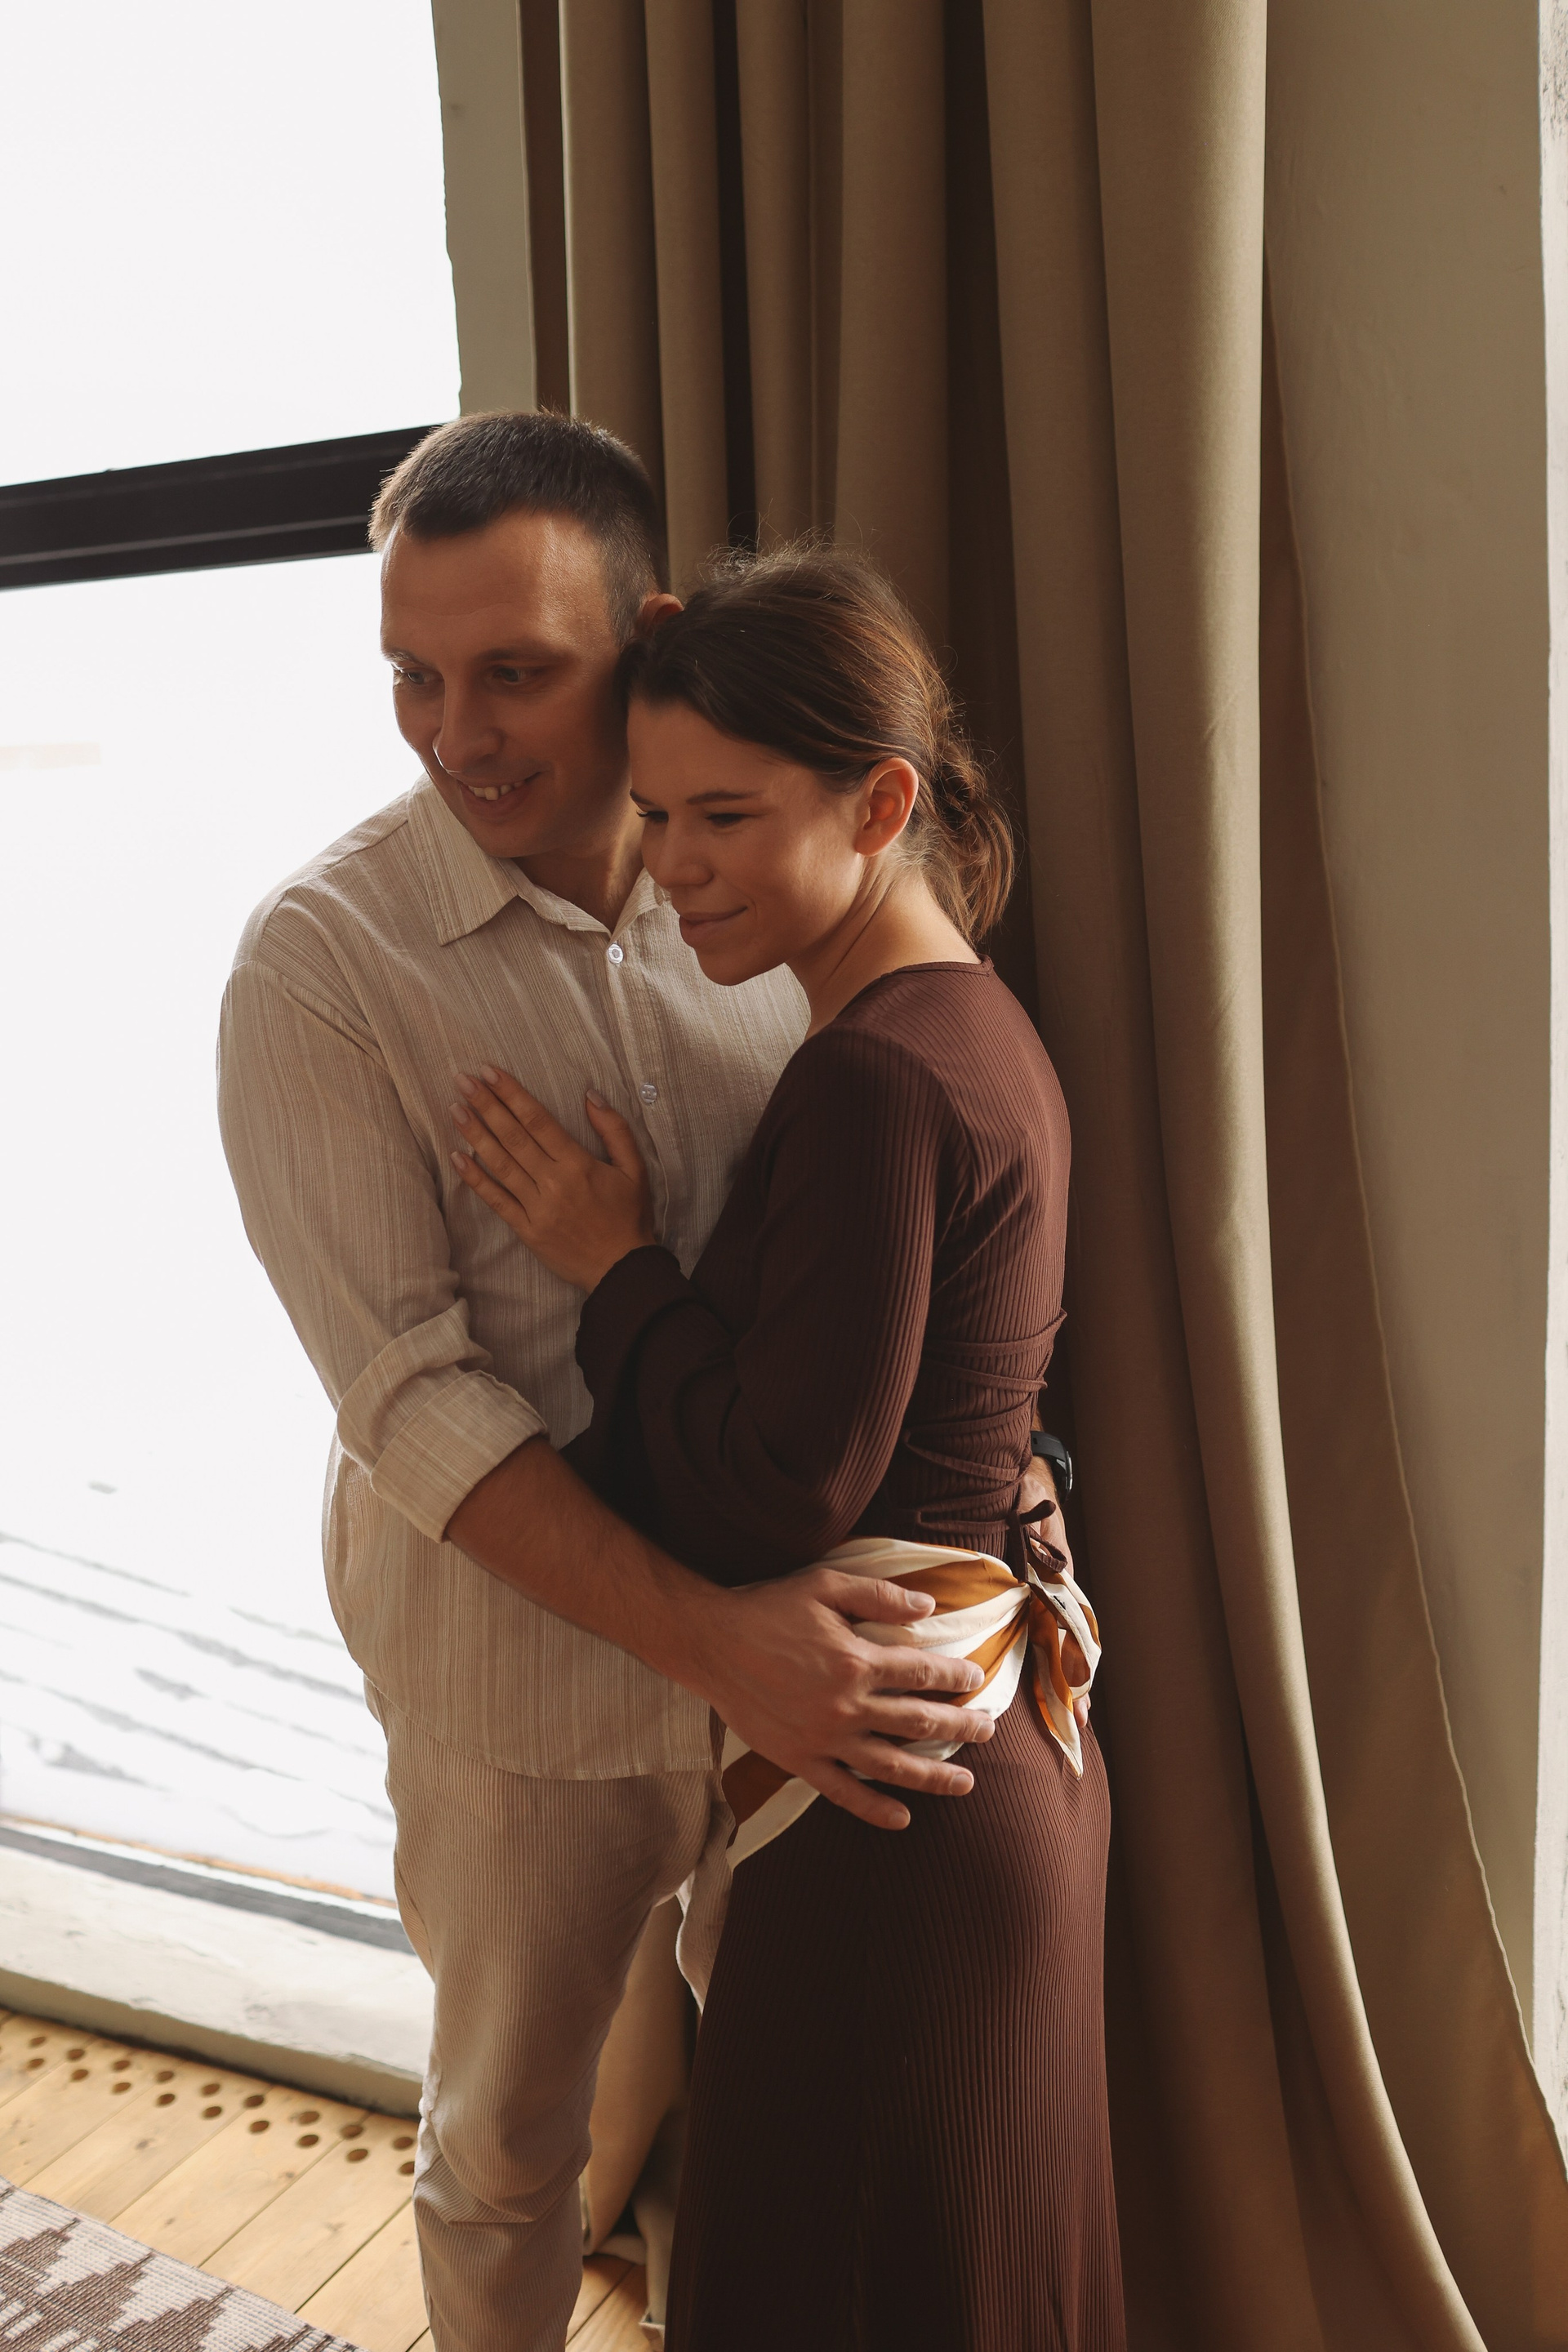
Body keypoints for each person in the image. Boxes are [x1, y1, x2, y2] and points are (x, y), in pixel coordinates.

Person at [216, 413, 1007, 2352]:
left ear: (645, 638)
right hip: (517, 1694)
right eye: (413, 675)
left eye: (514, 671)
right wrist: (719, 1641)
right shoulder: (316, 971)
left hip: (791, 1667)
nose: (458, 735)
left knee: (775, 2114)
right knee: (508, 2143)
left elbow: (893, 1259)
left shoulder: (774, 889)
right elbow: (409, 1401)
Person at [449, 546, 1125, 2350]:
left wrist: (614, 1270)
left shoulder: (874, 1075)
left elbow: (774, 1488)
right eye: (658, 813)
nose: (673, 866)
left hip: (898, 1815)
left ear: (881, 804)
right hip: (981, 1755)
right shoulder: (969, 1018)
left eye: (726, 817)